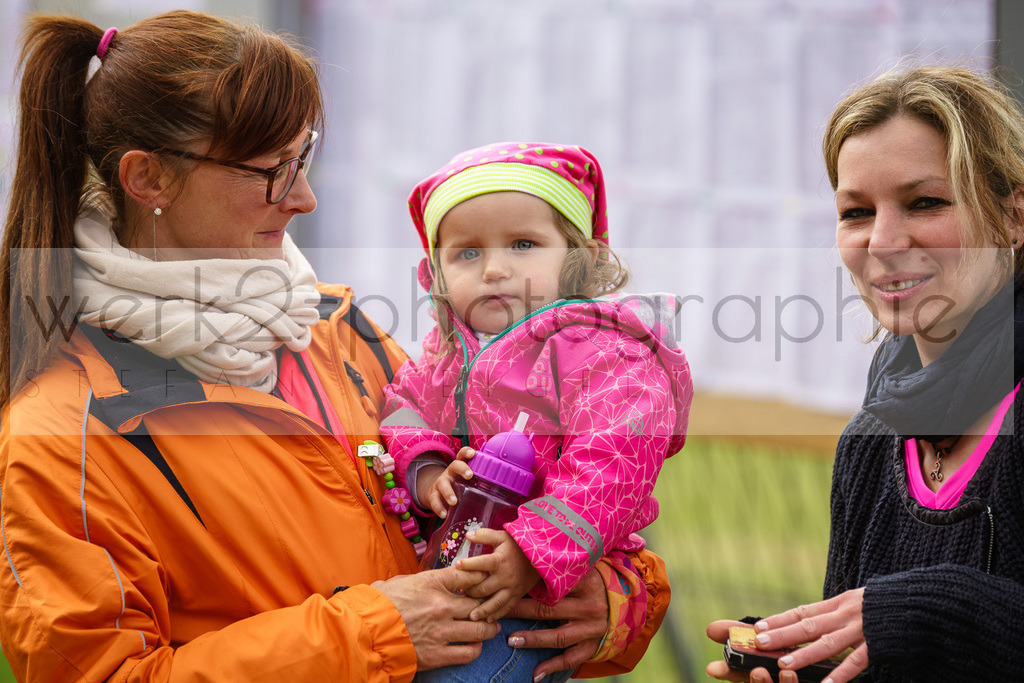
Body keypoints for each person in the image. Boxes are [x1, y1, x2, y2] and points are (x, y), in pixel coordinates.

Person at [0, 12, 671, 682]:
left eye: (305, 157)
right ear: (147, 178)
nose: (305, 197)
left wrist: (609, 602)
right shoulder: (63, 431)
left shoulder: (338, 330)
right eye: (271, 169)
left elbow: (554, 514)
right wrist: (376, 634)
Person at [706, 65, 1024, 682]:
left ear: (1014, 218)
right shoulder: (872, 439)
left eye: (925, 202)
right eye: (856, 212)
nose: (881, 240)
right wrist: (804, 660)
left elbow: (914, 621)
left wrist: (925, 611)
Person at [379, 142, 693, 682]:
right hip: (458, 564)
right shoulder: (449, 351)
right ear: (435, 276)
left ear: (580, 260)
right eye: (467, 253)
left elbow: (613, 466)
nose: (496, 268)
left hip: (548, 576)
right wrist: (428, 469)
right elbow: (405, 407)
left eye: (523, 244)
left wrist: (532, 552)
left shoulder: (604, 349)